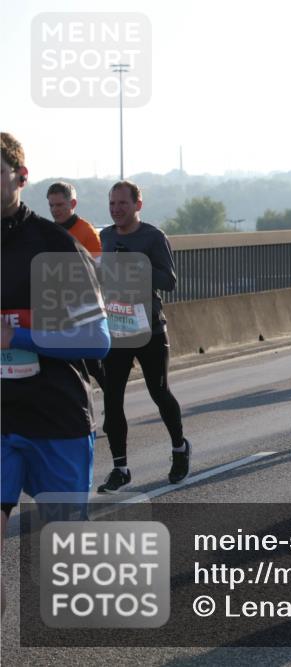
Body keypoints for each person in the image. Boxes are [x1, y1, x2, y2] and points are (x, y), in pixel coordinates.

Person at [2, 132, 110, 547]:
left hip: (54, 414)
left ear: (21, 176)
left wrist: (18, 336)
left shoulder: (53, 246)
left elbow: (96, 340)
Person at [97, 181, 190, 492]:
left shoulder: (153, 236)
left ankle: (179, 449)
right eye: (112, 203)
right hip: (117, 326)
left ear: (138, 205)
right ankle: (120, 468)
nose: (116, 209)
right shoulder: (106, 236)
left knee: (159, 392)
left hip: (149, 326)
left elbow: (169, 281)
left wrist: (138, 267)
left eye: (122, 203)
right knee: (112, 399)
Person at [47, 181, 105, 390]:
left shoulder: (86, 232)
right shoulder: (49, 230)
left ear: (72, 204)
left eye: (60, 205)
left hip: (84, 307)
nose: (55, 210)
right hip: (59, 307)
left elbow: (99, 272)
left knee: (93, 366)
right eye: (51, 205)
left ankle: (113, 403)